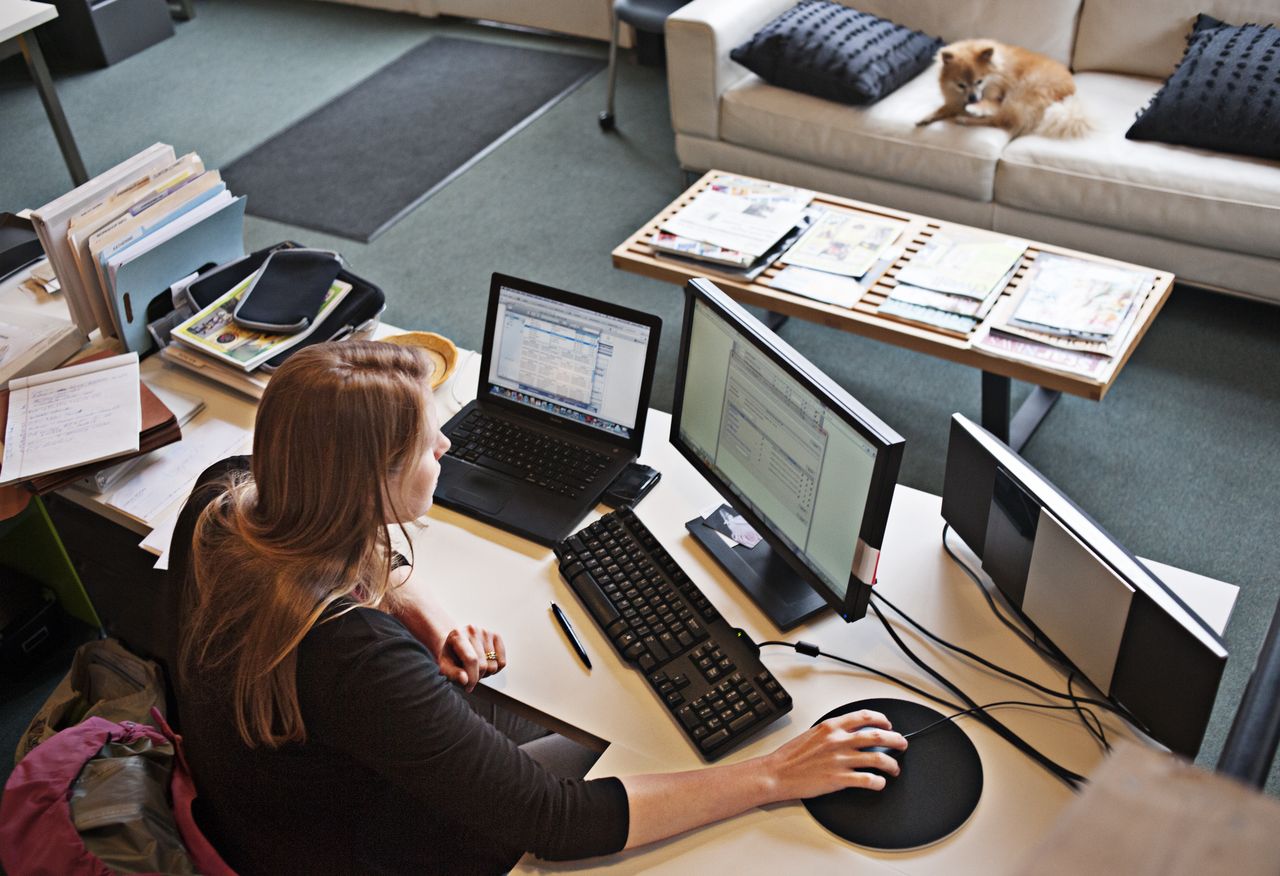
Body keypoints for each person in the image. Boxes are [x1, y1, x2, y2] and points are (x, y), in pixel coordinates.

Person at [166, 340, 906, 875]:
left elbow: (333, 546)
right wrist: (776, 773)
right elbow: (556, 822)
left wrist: (419, 606)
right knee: (617, 760)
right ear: (370, 487)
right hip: (350, 851)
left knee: (569, 728)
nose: (448, 445)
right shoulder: (353, 661)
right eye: (428, 447)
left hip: (259, 806)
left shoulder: (224, 499)